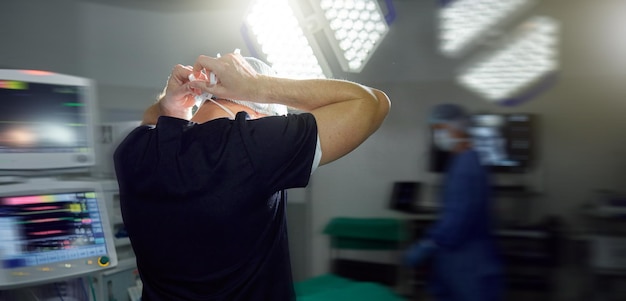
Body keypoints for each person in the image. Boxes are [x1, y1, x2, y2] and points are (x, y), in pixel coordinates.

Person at [113, 52, 390, 301]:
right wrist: (257, 86)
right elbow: (371, 103)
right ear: (260, 114)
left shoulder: (134, 149)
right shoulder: (250, 147)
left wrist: (169, 105)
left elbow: (153, 122)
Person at [405, 104, 502, 301]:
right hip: (458, 262)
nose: (437, 136)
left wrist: (429, 243)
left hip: (468, 263)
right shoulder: (464, 161)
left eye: (440, 129)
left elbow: (459, 215)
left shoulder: (467, 165)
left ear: (456, 127)